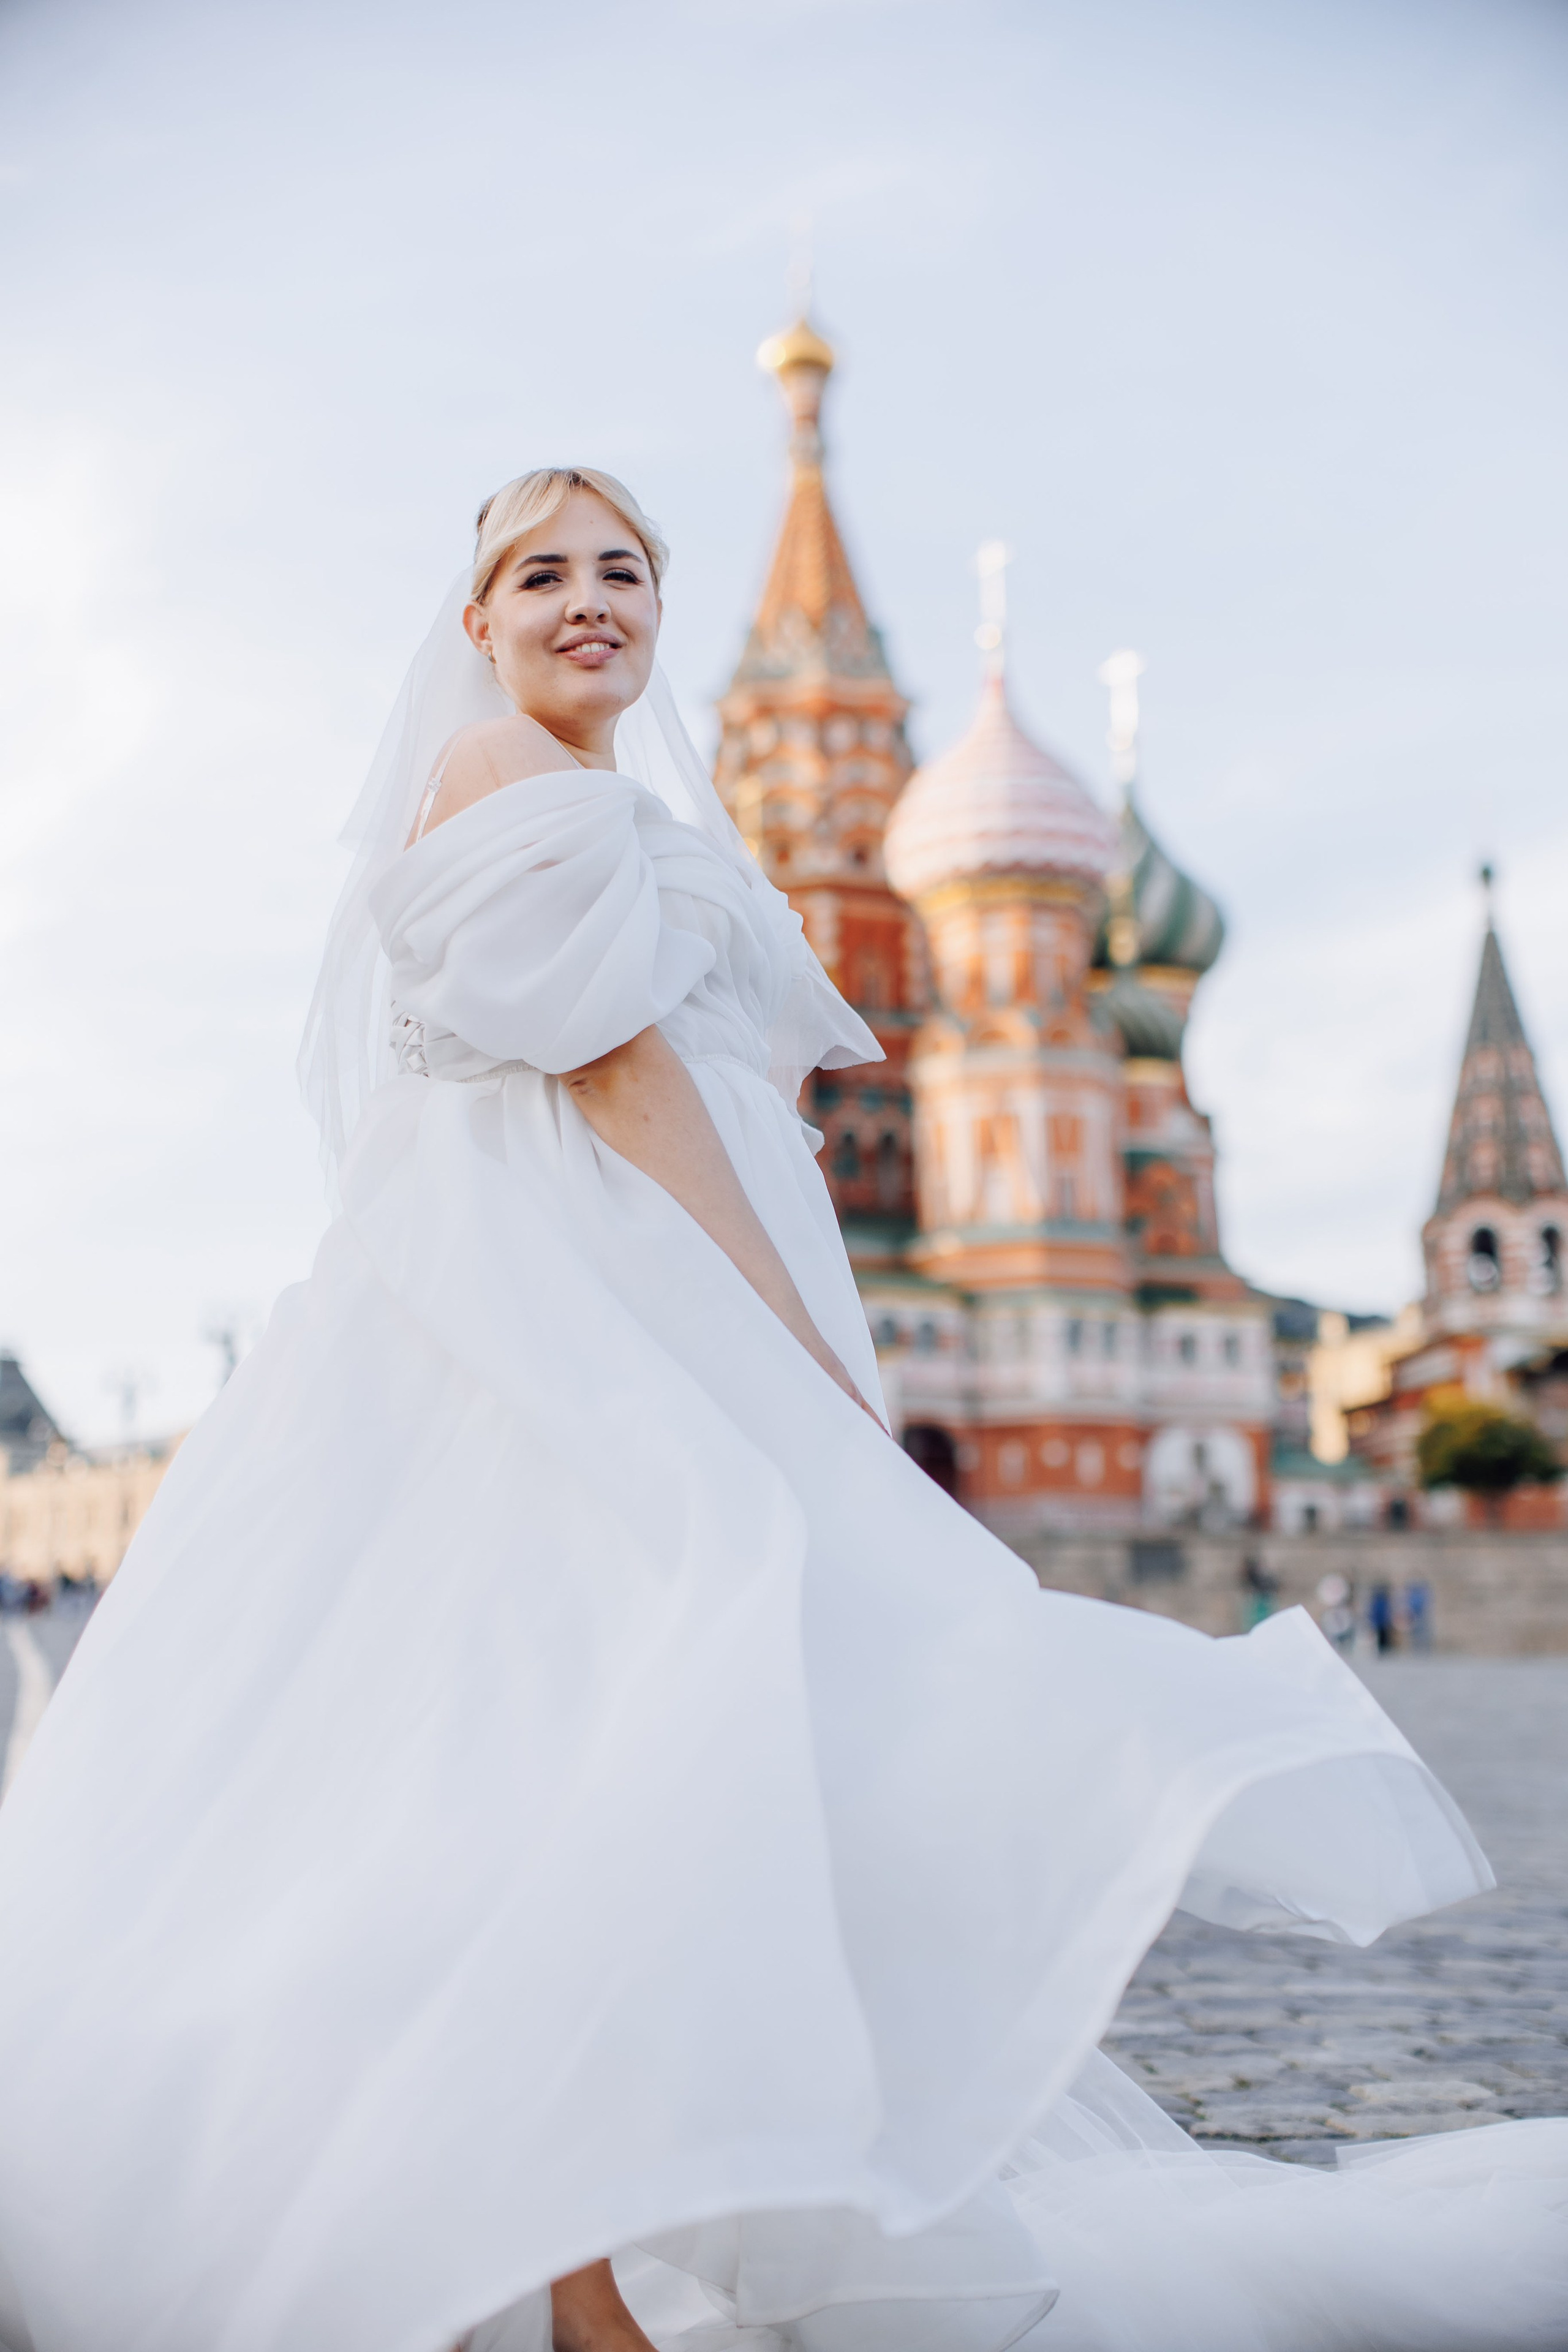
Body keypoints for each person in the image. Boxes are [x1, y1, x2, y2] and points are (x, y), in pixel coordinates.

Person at [0, 469, 1561, 2351]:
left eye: (625, 570)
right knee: (588, 1764)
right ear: (476, 622)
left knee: (588, 1766)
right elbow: (621, 1076)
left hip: (573, 1304)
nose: (590, 599)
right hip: (555, 1320)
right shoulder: (512, 774)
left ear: (666, 613)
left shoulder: (620, 809)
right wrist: (800, 1348)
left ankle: (572, 2259)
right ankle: (578, 2292)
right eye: (542, 574)